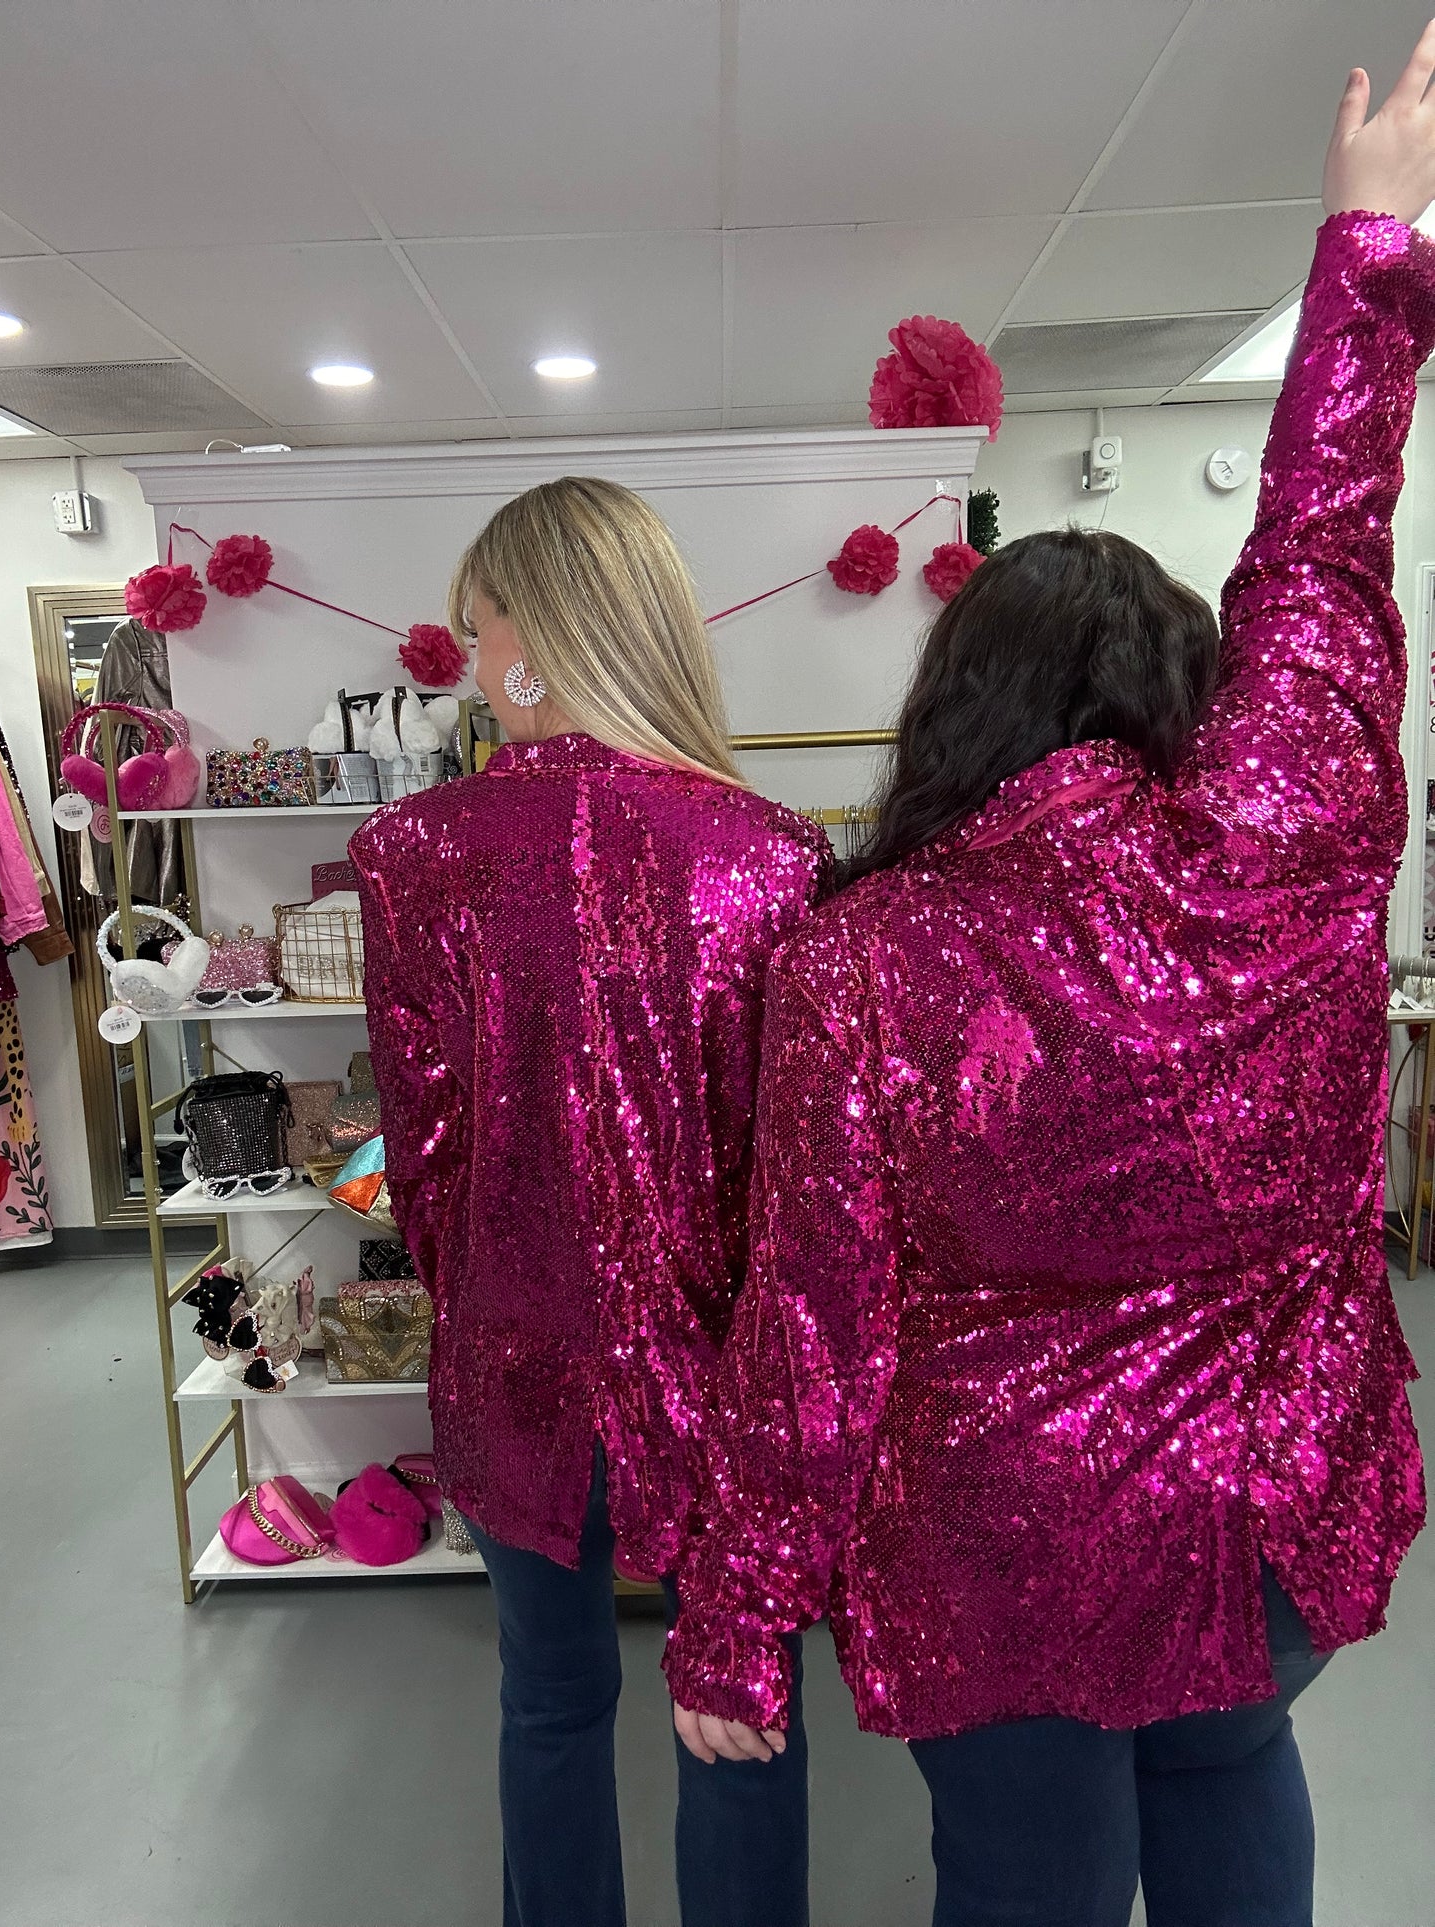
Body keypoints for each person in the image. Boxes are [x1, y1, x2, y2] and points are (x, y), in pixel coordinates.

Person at [666, 31, 1435, 1927]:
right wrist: (1368, 251)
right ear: (1190, 709)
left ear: (957, 711)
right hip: (1266, 1495)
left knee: (1019, 1877)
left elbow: (813, 1333)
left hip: (992, 1538)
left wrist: (739, 1622)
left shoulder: (859, 963)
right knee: (1238, 1781)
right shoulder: (1283, 849)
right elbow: (1321, 567)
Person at [351, 476, 830, 1927]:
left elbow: (422, 1152)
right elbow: (798, 1173)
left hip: (512, 1355)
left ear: (531, 638)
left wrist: (486, 1282)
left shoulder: (412, 855)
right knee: (742, 1713)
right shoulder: (774, 854)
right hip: (732, 1368)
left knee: (548, 1703)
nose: (463, 656)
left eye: (474, 623)